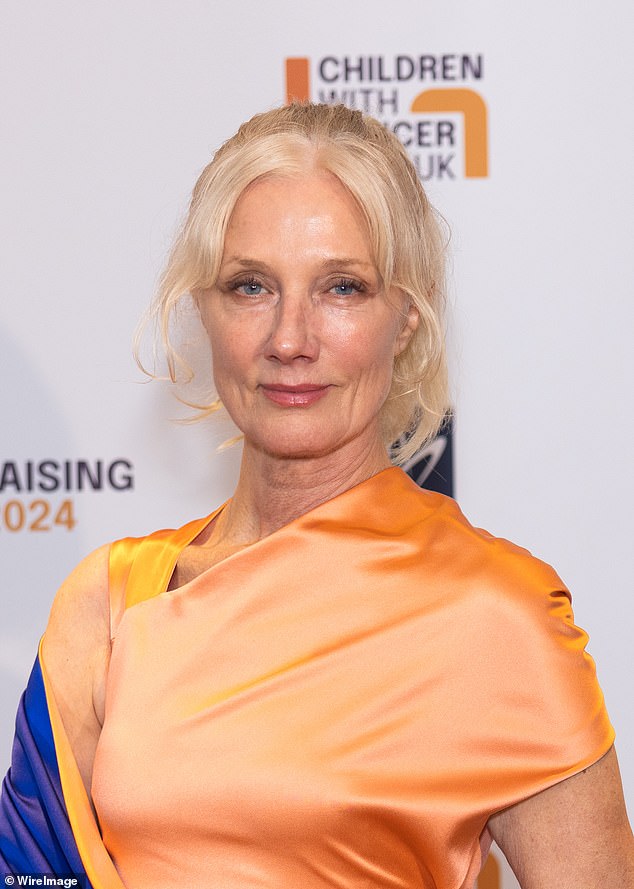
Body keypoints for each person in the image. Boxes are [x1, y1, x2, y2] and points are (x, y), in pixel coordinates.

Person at [1, 102, 633, 888]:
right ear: (204, 306)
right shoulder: (108, 604)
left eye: (341, 287)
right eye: (251, 286)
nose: (290, 338)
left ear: (407, 314)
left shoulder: (497, 614)